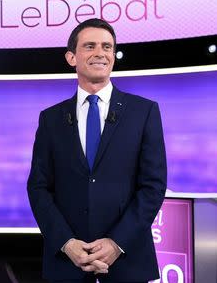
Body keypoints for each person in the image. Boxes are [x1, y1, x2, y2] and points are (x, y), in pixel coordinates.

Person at [27, 18, 167, 283]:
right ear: (71, 57)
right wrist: (67, 243)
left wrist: (116, 243)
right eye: (89, 46)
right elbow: (38, 187)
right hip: (67, 265)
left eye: (107, 47)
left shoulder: (144, 111)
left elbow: (153, 186)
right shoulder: (51, 118)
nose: (100, 53)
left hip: (128, 262)